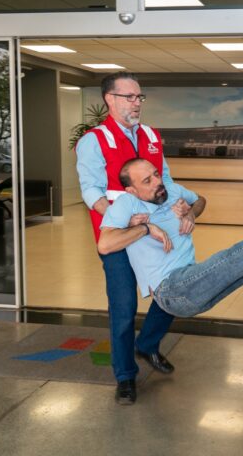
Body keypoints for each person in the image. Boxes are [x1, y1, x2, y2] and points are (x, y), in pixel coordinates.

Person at [76, 72, 191, 405]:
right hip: (119, 237)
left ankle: (148, 344)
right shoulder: (93, 141)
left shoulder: (152, 136)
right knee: (123, 306)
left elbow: (164, 179)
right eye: (130, 97)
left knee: (172, 291)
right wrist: (122, 219)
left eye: (140, 97)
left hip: (156, 232)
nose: (137, 103)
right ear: (109, 99)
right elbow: (91, 191)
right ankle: (125, 376)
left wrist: (181, 203)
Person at [98, 157, 243, 326]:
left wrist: (191, 214)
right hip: (171, 290)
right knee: (231, 259)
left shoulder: (172, 190)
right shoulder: (127, 203)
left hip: (191, 283)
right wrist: (146, 228)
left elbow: (200, 200)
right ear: (132, 190)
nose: (157, 182)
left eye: (156, 174)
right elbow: (105, 245)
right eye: (147, 181)